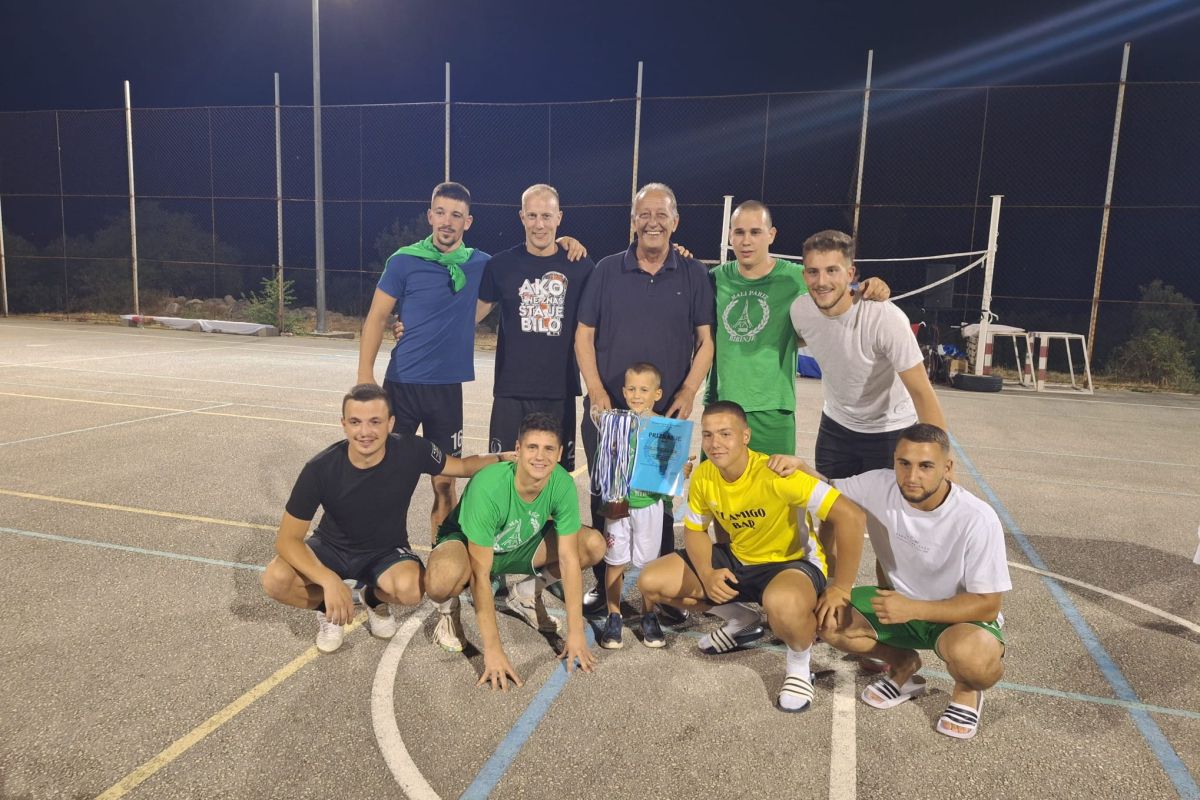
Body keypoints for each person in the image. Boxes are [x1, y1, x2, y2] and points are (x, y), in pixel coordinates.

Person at [637, 401, 866, 712]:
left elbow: (851, 516)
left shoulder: (777, 473)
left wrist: (841, 587)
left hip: (791, 564)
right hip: (740, 558)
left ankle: (799, 665)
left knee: (782, 605)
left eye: (725, 434)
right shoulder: (705, 475)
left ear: (745, 436)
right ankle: (742, 620)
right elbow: (695, 530)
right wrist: (707, 573)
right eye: (708, 435)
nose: (715, 443)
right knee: (651, 581)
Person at [261, 383, 511, 653]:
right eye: (355, 422)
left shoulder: (413, 449)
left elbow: (461, 466)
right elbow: (287, 540)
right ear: (343, 424)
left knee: (412, 589)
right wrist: (327, 580)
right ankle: (328, 608)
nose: (365, 432)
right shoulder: (320, 468)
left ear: (391, 423)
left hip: (385, 550)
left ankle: (372, 598)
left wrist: (503, 458)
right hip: (331, 547)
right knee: (275, 579)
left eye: (375, 422)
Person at [804, 423, 1010, 740]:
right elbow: (825, 487)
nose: (912, 476)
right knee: (826, 620)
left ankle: (967, 691)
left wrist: (913, 608)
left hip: (958, 618)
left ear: (947, 467)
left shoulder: (977, 518)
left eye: (926, 466)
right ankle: (903, 665)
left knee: (976, 664)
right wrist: (798, 468)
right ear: (895, 461)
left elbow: (988, 605)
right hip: (897, 606)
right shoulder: (879, 484)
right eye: (904, 463)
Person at [576, 182, 715, 616]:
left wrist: (688, 390)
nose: (652, 222)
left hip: (663, 418)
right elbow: (584, 334)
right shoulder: (607, 270)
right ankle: (606, 588)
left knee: (660, 502)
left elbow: (706, 341)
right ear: (633, 221)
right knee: (609, 501)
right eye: (644, 214)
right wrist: (597, 389)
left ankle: (662, 591)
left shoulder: (693, 273)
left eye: (661, 214)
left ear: (675, 221)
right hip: (610, 416)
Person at [789, 229, 946, 571]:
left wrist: (940, 458)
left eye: (832, 270)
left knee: (890, 532)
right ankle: (827, 591)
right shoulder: (800, 311)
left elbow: (922, 391)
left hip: (890, 430)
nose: (822, 281)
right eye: (813, 271)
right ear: (804, 275)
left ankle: (891, 597)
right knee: (829, 518)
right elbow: (809, 338)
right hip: (836, 428)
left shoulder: (884, 317)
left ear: (851, 273)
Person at [424, 412, 607, 689]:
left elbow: (569, 559)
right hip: (468, 547)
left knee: (593, 545)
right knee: (440, 580)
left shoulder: (561, 484)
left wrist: (576, 632)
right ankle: (449, 611)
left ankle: (526, 594)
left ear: (559, 454)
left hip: (519, 542)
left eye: (548, 449)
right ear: (518, 449)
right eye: (532, 447)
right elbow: (480, 575)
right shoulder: (489, 486)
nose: (540, 456)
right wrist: (494, 651)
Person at [357, 182, 491, 542]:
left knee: (445, 482)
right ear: (430, 216)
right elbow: (376, 317)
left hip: (446, 391)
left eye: (456, 215)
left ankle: (442, 558)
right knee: (386, 477)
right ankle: (379, 552)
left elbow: (521, 269)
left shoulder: (481, 264)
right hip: (402, 385)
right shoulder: (404, 260)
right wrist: (365, 376)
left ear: (468, 222)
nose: (448, 221)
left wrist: (564, 242)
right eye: (441, 212)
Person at [708, 201, 890, 456]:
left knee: (773, 481)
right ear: (730, 236)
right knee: (715, 482)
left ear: (771, 235)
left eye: (755, 232)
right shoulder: (715, 278)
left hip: (773, 408)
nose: (746, 241)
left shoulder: (795, 277)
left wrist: (872, 286)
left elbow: (836, 293)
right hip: (721, 406)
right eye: (739, 232)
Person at [597, 362, 679, 650]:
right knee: (615, 561)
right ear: (623, 391)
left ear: (657, 394)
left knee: (648, 564)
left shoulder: (665, 428)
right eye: (631, 389)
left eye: (644, 390)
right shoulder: (614, 422)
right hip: (619, 502)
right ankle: (614, 615)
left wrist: (680, 472)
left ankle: (648, 614)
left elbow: (670, 468)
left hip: (649, 505)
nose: (636, 395)